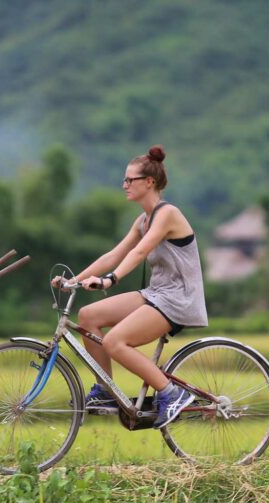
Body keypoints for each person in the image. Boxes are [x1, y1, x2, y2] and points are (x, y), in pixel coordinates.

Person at [51, 145, 208, 428]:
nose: (124, 185)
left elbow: (138, 254)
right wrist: (73, 281)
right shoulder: (143, 220)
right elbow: (114, 254)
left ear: (149, 182)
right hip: (156, 294)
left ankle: (171, 394)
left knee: (114, 342)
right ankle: (106, 391)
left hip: (178, 299)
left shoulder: (168, 214)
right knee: (88, 317)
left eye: (129, 180)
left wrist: (110, 279)